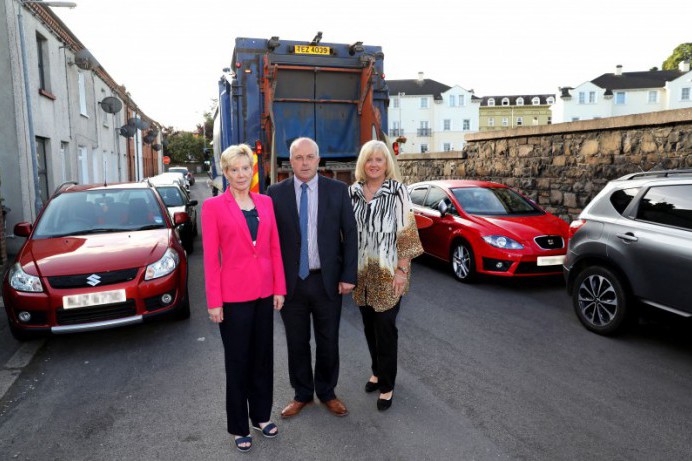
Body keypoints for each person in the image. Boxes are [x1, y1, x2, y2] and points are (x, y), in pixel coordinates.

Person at [202, 144, 286, 453]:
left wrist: (279, 288)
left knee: (262, 358)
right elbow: (211, 259)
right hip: (233, 296)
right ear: (225, 172)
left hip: (264, 292)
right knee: (238, 362)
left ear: (252, 171)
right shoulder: (213, 207)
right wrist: (214, 301)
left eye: (245, 168)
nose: (240, 174)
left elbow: (274, 248)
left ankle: (261, 416)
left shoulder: (265, 202)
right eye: (233, 169)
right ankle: (239, 425)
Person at [267, 137, 358, 418]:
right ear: (289, 161)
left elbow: (351, 234)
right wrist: (273, 282)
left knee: (328, 340)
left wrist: (348, 275)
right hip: (291, 283)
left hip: (326, 280)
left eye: (309, 157)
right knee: (297, 342)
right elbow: (269, 241)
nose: (304, 163)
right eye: (298, 157)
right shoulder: (275, 193)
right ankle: (302, 393)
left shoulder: (338, 190)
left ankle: (327, 392)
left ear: (319, 160)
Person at [348, 140, 423, 411]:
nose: (374, 164)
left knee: (386, 328)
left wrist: (402, 271)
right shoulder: (353, 192)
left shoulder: (397, 191)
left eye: (380, 159)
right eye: (369, 159)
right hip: (362, 275)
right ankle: (377, 371)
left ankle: (387, 385)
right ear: (362, 164)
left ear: (386, 163)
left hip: (389, 272)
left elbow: (407, 233)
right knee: (369, 327)